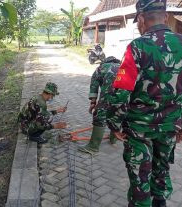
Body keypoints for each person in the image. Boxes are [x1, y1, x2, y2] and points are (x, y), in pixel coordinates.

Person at [106, 0, 182, 206]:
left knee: (141, 180)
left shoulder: (136, 47)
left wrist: (114, 124)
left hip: (139, 128)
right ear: (165, 16)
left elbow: (121, 92)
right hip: (169, 127)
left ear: (141, 19)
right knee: (161, 171)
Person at [79, 56, 121, 155]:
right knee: (118, 113)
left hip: (107, 95)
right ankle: (113, 140)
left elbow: (94, 86)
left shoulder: (101, 68)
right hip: (124, 95)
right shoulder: (123, 66)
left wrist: (93, 103)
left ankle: (93, 147)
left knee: (100, 116)